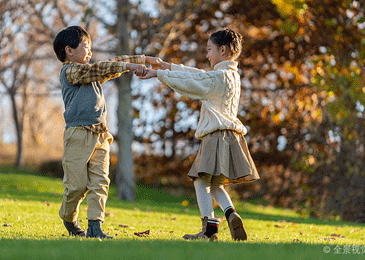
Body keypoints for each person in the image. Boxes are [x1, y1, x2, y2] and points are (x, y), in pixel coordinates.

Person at [142, 28, 259, 241]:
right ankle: (231, 214)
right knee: (215, 184)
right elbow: (200, 75)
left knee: (200, 181)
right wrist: (167, 66)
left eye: (209, 50)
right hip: (232, 137)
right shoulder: (232, 76)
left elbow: (193, 83)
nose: (207, 55)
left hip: (215, 136)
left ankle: (209, 231)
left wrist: (160, 74)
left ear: (222, 50)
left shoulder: (216, 79)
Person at [53, 26, 147, 238]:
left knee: (100, 182)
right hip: (78, 135)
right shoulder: (70, 71)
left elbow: (110, 65)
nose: (90, 52)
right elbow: (98, 69)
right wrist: (129, 65)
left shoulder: (92, 73)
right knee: (77, 186)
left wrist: (143, 60)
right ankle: (68, 217)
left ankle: (95, 226)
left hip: (101, 135)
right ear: (69, 50)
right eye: (86, 47)